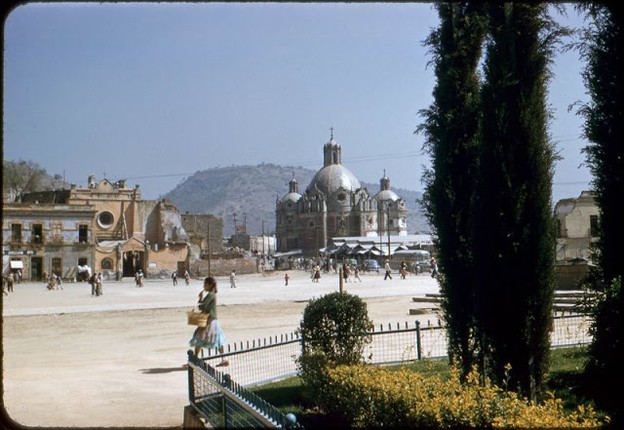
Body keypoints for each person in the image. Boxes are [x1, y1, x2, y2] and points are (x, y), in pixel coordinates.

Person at [189, 277, 229, 366]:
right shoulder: (212, 294)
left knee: (198, 337)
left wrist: (200, 299)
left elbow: (204, 306)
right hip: (212, 320)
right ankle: (224, 359)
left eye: (205, 284)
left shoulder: (211, 295)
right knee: (217, 338)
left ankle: (195, 358)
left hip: (209, 320)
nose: (204, 286)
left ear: (210, 285)